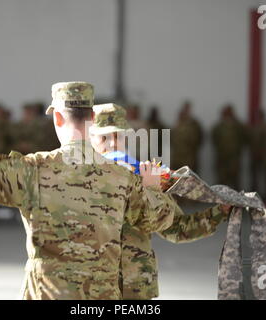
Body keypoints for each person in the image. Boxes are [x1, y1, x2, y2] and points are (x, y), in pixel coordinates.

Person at [0, 81, 176, 300]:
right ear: (92, 118)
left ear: (57, 117)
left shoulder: (33, 169)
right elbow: (159, 219)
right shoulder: (122, 176)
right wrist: (152, 188)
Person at [89, 103, 230, 299]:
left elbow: (178, 229)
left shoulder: (144, 175)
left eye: (118, 137)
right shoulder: (74, 180)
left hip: (134, 287)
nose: (112, 144)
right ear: (89, 139)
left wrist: (220, 212)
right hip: (91, 288)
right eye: (104, 137)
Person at [211, 104, 247, 189]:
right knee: (221, 180)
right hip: (222, 157)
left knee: (235, 180)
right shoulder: (219, 126)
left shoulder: (238, 126)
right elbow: (214, 138)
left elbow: (244, 137)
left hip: (234, 158)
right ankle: (221, 200)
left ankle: (235, 200)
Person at [171, 101, 203, 173]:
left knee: (189, 177)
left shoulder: (194, 124)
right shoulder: (176, 126)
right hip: (177, 157)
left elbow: (199, 138)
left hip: (189, 157)